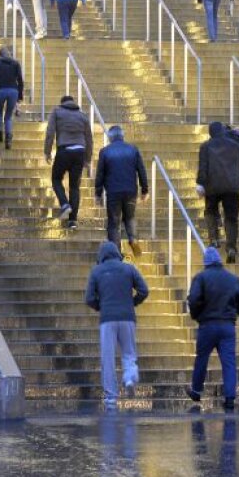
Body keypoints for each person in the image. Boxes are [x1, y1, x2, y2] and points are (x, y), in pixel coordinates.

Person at [85, 241, 149, 411]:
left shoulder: (96, 271)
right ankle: (129, 377)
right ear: (117, 254)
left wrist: (101, 306)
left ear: (101, 256)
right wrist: (132, 302)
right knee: (128, 352)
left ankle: (111, 397)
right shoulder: (128, 268)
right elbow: (144, 290)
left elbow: (89, 298)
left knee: (108, 358)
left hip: (107, 320)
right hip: (127, 317)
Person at [186, 246, 239, 411]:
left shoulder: (201, 278)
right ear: (219, 260)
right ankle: (229, 397)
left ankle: (196, 391)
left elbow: (193, 299)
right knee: (229, 362)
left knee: (202, 359)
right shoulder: (232, 278)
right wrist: (237, 311)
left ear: (205, 262)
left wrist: (196, 315)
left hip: (207, 325)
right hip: (227, 326)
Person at [196, 121, 239, 264]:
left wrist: (200, 184)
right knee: (231, 218)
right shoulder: (235, 146)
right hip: (232, 187)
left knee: (210, 211)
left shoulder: (205, 147)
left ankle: (214, 240)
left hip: (212, 186)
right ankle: (231, 247)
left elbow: (203, 168)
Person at [93, 125, 149, 258]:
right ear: (122, 136)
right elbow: (141, 170)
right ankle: (132, 238)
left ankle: (116, 253)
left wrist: (98, 193)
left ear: (110, 137)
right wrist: (145, 190)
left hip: (113, 191)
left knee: (113, 223)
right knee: (130, 217)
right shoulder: (133, 149)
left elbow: (100, 173)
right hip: (130, 191)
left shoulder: (105, 151)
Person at [45, 94, 93, 230]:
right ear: (73, 103)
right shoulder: (83, 115)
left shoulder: (57, 112)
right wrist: (88, 159)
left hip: (64, 150)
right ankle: (72, 221)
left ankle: (65, 204)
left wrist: (47, 151)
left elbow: (50, 133)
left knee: (56, 179)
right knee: (74, 187)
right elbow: (89, 139)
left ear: (62, 103)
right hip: (79, 152)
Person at [0, 47, 24, 149]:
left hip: (0, 90)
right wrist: (20, 96)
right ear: (9, 54)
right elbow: (20, 80)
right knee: (8, 117)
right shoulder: (16, 63)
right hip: (13, 91)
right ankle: (8, 139)